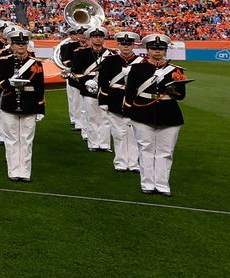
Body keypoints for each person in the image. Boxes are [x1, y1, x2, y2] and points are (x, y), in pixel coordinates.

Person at [125, 33, 188, 197]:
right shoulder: (137, 68)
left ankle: (162, 184)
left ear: (166, 50)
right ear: (147, 49)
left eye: (161, 49)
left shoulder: (176, 70)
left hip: (169, 114)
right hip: (142, 113)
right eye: (153, 48)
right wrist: (128, 113)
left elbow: (181, 95)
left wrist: (173, 89)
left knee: (165, 151)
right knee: (145, 149)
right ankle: (147, 183)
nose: (157, 52)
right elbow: (130, 92)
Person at [0, 28, 46, 182]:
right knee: (12, 139)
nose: (21, 46)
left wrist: (41, 108)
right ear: (11, 45)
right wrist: (11, 84)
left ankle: (25, 172)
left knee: (27, 140)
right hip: (10, 103)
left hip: (30, 105)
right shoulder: (4, 61)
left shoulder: (36, 64)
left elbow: (40, 87)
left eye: (23, 43)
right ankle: (14, 171)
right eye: (17, 43)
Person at [97, 31, 142, 172]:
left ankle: (134, 163)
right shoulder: (110, 61)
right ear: (118, 45)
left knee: (134, 135)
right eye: (123, 44)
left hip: (134, 101)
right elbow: (102, 82)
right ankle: (121, 162)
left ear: (133, 45)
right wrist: (103, 100)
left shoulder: (141, 62)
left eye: (129, 44)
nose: (126, 47)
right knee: (118, 134)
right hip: (115, 99)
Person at [70, 26, 113, 152]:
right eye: (95, 37)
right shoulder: (80, 53)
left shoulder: (110, 54)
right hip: (88, 88)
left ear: (104, 38)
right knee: (92, 117)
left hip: (105, 89)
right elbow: (76, 72)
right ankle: (94, 143)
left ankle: (105, 144)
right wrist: (86, 82)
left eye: (100, 37)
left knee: (105, 117)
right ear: (90, 39)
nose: (98, 39)